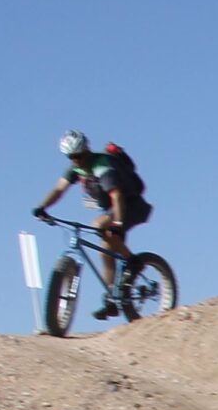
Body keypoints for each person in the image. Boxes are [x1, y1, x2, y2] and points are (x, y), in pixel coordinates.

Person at [34, 132, 150, 320]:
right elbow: (58, 189)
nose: (76, 160)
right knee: (105, 251)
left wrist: (118, 223)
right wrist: (42, 207)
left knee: (98, 225)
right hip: (115, 209)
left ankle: (134, 262)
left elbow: (116, 195)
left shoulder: (101, 165)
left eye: (78, 155)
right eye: (71, 157)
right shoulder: (76, 169)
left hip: (132, 206)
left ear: (86, 149)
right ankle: (113, 300)